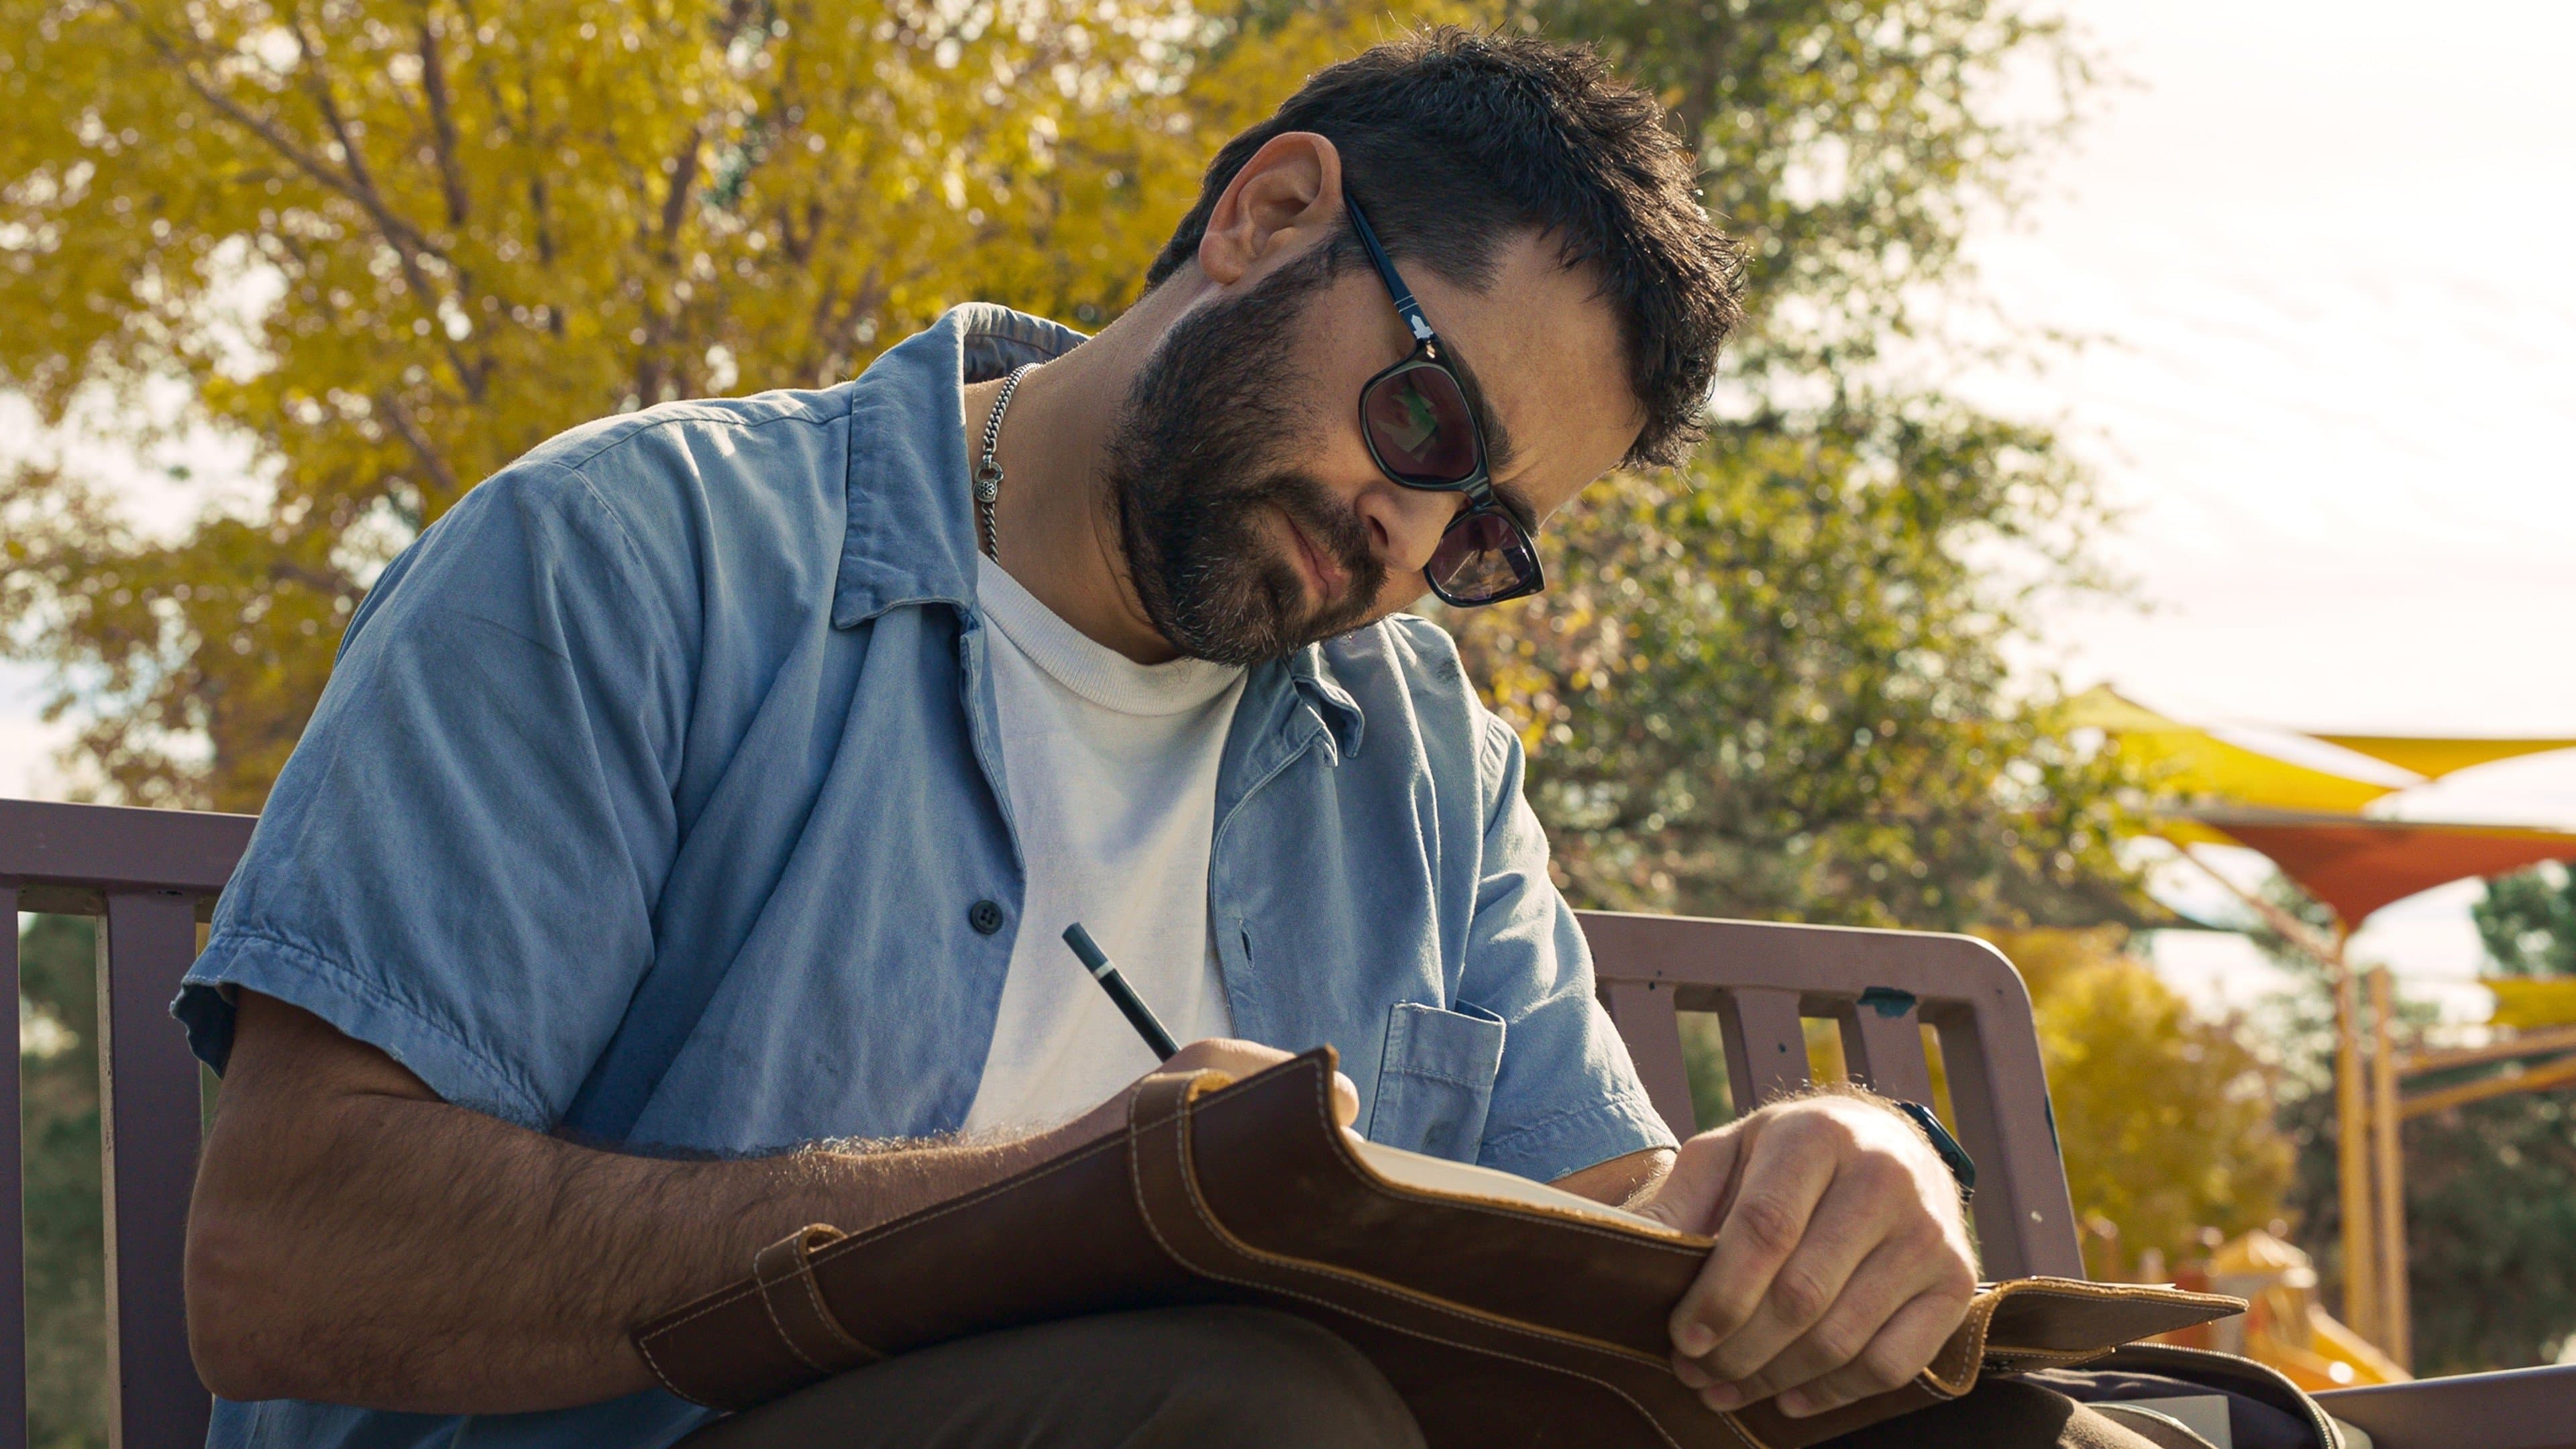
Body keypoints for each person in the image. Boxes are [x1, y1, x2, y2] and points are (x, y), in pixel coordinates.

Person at [178, 30, 1987, 1449]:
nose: (1411, 546)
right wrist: (1035, 1211)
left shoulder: (1421, 751)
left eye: (1487, 531)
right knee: (1256, 1416)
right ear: (1267, 218)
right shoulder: (637, 555)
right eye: (1429, 425)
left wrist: (1847, 1173)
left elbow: (1598, 1225)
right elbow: (288, 1258)